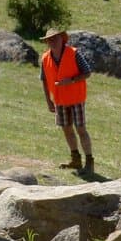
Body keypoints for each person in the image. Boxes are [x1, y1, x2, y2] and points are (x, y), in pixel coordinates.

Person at [40, 28, 95, 173]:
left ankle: (89, 161)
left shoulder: (74, 53)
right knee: (67, 130)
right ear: (46, 42)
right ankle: (75, 160)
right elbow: (44, 80)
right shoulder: (45, 58)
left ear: (62, 39)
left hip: (76, 98)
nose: (52, 41)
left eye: (55, 38)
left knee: (81, 129)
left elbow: (87, 72)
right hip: (59, 100)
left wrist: (70, 81)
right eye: (49, 39)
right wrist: (48, 101)